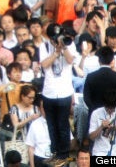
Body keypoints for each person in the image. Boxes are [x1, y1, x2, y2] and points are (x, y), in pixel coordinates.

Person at [39, 23, 75, 166]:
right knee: (51, 125)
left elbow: (71, 60)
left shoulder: (68, 43)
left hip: (64, 92)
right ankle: (55, 152)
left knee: (62, 124)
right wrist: (55, 52)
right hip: (49, 92)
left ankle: (63, 154)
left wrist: (63, 47)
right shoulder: (44, 46)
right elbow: (44, 64)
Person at [89, 89, 116, 156]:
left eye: (112, 108)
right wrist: (101, 127)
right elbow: (91, 137)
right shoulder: (96, 113)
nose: (109, 111)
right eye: (107, 108)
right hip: (99, 152)